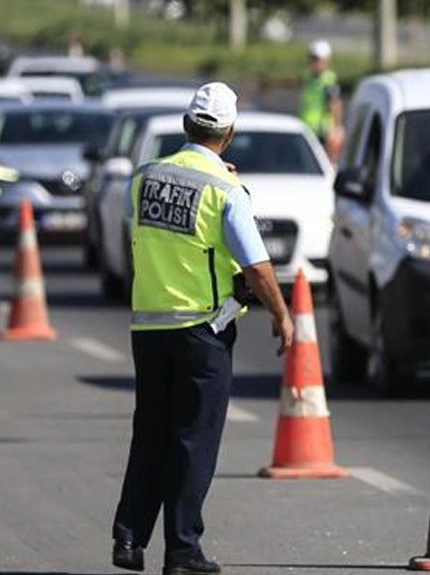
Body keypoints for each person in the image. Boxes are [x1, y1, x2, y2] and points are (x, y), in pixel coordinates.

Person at [111, 82, 295, 575]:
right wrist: (281, 312)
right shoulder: (226, 191)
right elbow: (255, 267)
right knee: (193, 439)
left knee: (150, 432)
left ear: (186, 125)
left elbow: (167, 216)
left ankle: (129, 539)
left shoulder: (145, 178)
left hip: (148, 326)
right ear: (229, 133)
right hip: (201, 330)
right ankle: (182, 548)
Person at [299, 40, 344, 157]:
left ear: (326, 61)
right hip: (306, 126)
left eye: (317, 59)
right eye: (312, 59)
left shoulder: (329, 80)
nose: (315, 63)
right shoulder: (308, 77)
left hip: (322, 131)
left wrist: (336, 128)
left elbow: (335, 104)